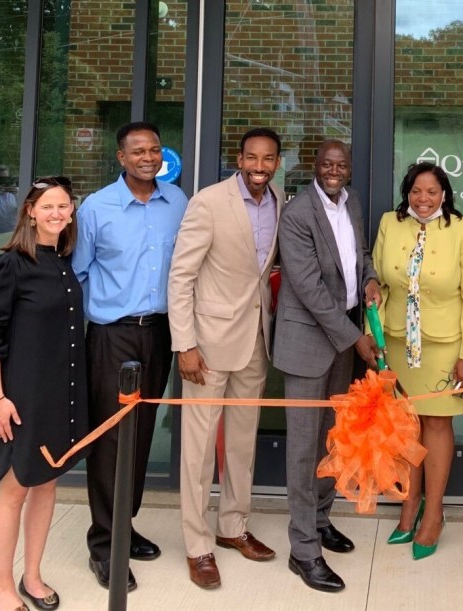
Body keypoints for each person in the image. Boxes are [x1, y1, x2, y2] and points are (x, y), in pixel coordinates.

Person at [73, 121, 188, 592]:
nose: (147, 157)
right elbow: (78, 274)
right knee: (111, 439)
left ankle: (126, 524)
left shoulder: (176, 202)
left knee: (140, 435)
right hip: (113, 335)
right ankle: (104, 544)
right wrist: (90, 328)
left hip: (159, 332)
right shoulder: (96, 208)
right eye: (138, 151)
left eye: (154, 150)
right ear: (121, 158)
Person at [168, 127, 284, 589]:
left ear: (277, 163)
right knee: (198, 451)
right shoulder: (209, 202)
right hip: (208, 344)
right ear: (239, 159)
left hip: (255, 339)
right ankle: (198, 546)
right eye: (252, 158)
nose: (259, 167)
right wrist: (185, 344)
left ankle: (233, 526)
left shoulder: (280, 201)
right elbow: (182, 275)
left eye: (268, 159)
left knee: (241, 442)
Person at [272, 139, 380, 593]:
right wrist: (355, 338)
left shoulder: (351, 202)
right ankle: (303, 549)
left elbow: (359, 256)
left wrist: (370, 279)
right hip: (308, 344)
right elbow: (310, 289)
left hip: (342, 342)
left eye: (341, 165)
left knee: (333, 440)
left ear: (349, 169)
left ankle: (319, 520)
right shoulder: (297, 214)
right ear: (314, 166)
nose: (334, 171)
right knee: (302, 449)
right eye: (326, 164)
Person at [372, 162, 463, 561]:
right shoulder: (390, 223)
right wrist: (374, 338)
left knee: (436, 425)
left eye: (432, 192)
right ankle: (409, 503)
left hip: (444, 346)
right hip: (397, 342)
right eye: (416, 191)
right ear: (407, 192)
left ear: (444, 194)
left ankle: (433, 513)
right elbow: (377, 286)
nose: (423, 199)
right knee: (405, 425)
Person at [0, 177, 88, 611]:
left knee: (47, 484)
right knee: (14, 490)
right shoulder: (12, 264)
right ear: (30, 212)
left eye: (63, 206)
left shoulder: (64, 262)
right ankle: (2, 587)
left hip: (60, 394)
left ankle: (31, 576)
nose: (56, 213)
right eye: (47, 206)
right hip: (22, 398)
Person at [0, 166, 18, 236]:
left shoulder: (17, 192)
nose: (4, 181)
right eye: (1, 179)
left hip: (14, 233)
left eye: (6, 178)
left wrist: (16, 194)